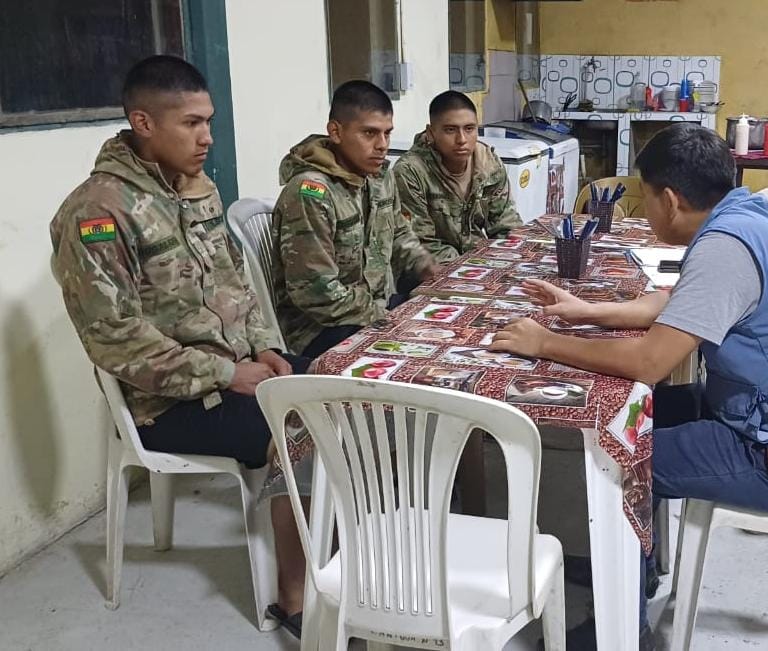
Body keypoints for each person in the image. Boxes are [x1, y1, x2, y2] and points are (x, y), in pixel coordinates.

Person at [489, 123, 768, 648]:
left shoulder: (725, 249)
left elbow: (648, 361)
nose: (645, 211)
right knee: (632, 418)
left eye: (645, 198)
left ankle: (622, 625)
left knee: (622, 455)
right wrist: (586, 312)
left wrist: (544, 343)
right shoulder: (748, 215)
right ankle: (630, 562)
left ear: (669, 199)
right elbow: (678, 303)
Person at [49, 55, 310, 638]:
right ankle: (295, 601)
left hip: (237, 372)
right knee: (309, 429)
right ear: (143, 122)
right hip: (168, 404)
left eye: (208, 121)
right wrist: (226, 374)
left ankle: (339, 559)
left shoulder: (198, 189)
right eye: (191, 123)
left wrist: (266, 347)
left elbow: (239, 285)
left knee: (354, 385)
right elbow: (113, 340)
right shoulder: (96, 211)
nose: (206, 137)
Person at [272, 80, 438, 358]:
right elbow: (316, 293)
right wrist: (387, 316)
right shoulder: (311, 193)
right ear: (335, 132)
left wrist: (427, 267)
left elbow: (398, 232)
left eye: (387, 133)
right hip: (322, 328)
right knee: (419, 354)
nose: (382, 145)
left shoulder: (378, 176)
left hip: (375, 307)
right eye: (369, 133)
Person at [391, 90, 522, 263]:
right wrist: (470, 267)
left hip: (479, 263)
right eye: (450, 130)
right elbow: (418, 242)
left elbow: (506, 225)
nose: (461, 139)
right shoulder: (410, 171)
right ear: (431, 133)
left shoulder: (488, 163)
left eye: (469, 129)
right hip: (427, 270)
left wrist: (509, 255)